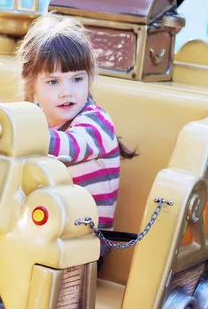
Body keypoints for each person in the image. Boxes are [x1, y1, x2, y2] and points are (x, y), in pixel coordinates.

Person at [17, 12, 137, 242]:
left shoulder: (96, 121)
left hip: (85, 244)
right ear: (32, 85)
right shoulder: (35, 119)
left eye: (77, 79)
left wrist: (18, 134)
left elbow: (70, 148)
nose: (67, 92)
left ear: (89, 77)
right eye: (53, 82)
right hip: (42, 232)